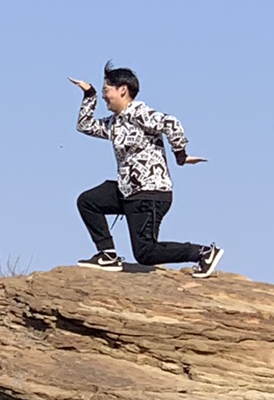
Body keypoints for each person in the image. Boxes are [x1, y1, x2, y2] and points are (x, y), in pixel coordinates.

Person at [70, 64, 223, 277]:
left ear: (122, 90)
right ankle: (107, 254)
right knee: (88, 201)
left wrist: (180, 155)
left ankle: (204, 252)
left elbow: (171, 123)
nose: (105, 96)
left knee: (145, 253)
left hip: (150, 194)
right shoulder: (115, 122)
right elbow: (85, 126)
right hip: (128, 191)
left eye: (106, 90)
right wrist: (90, 94)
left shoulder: (139, 114)